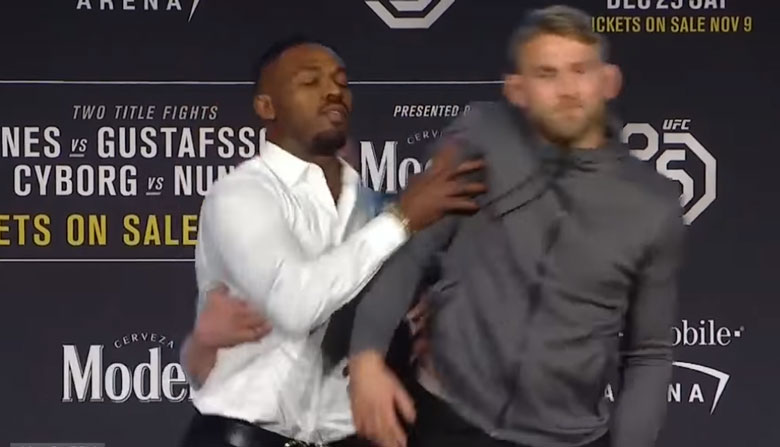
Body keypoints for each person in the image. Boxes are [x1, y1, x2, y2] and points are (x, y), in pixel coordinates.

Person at [348, 5, 686, 447]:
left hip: (566, 438)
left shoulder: (651, 204)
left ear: (608, 80)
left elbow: (649, 353)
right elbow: (412, 252)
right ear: (518, 90)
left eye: (580, 70)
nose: (567, 90)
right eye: (547, 74)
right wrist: (366, 357)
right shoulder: (479, 140)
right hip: (444, 419)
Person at [180, 35, 485, 447]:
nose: (332, 91)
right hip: (244, 437)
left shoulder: (373, 209)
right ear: (266, 106)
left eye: (341, 81)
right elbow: (296, 305)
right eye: (310, 81)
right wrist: (402, 220)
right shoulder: (241, 195)